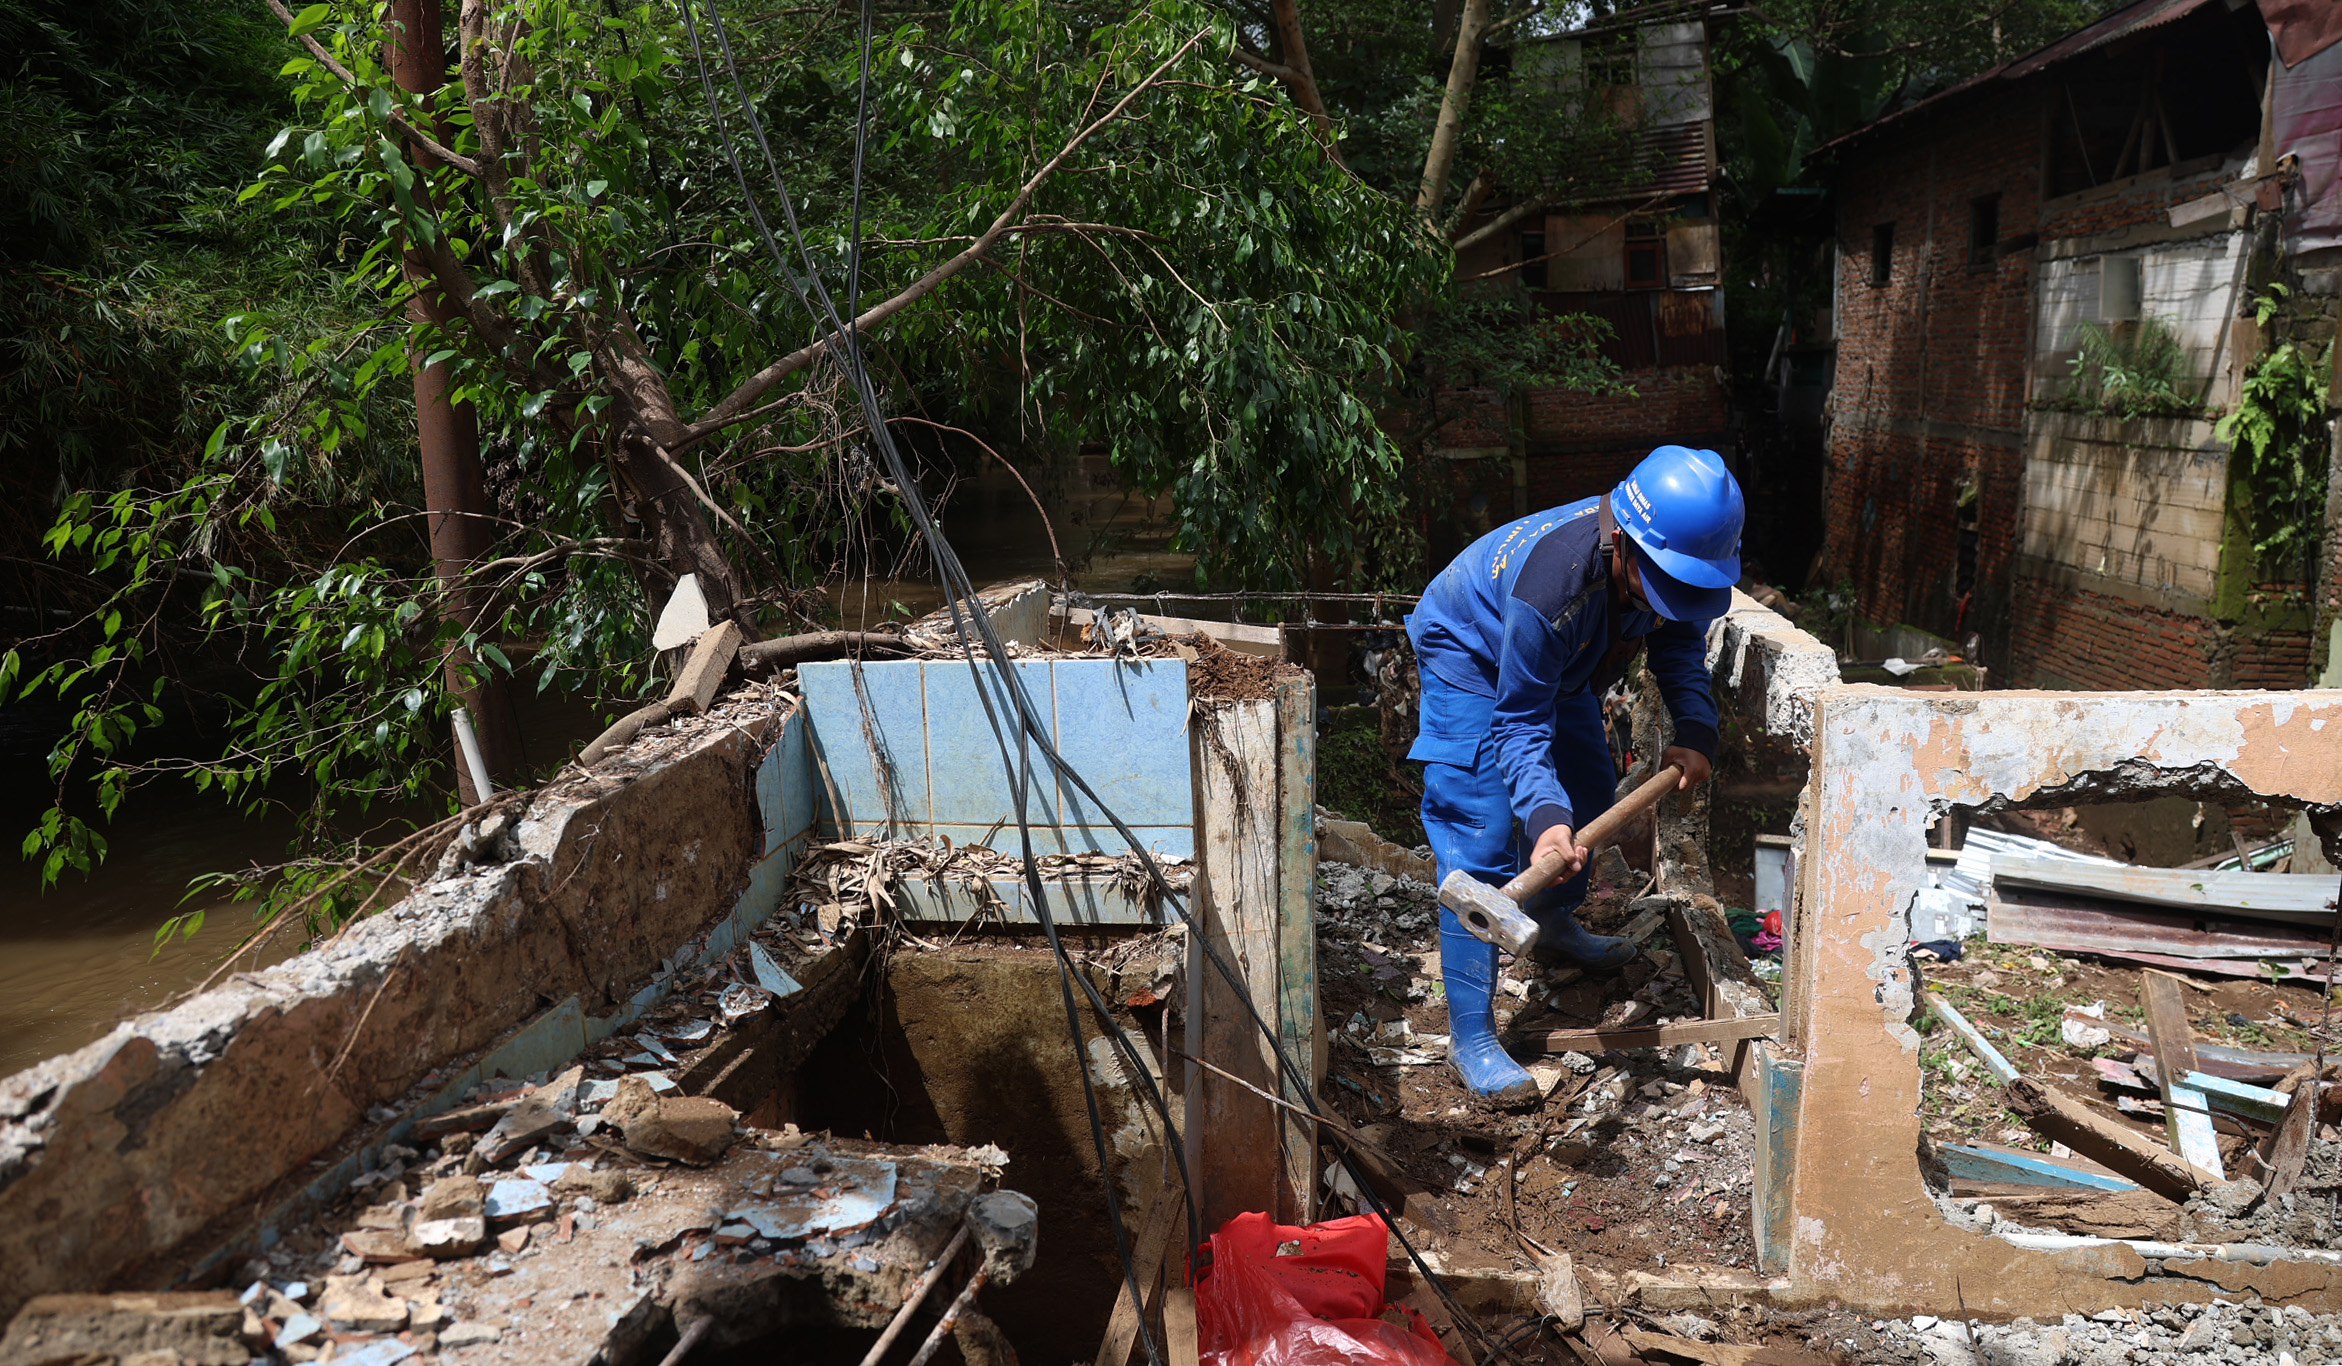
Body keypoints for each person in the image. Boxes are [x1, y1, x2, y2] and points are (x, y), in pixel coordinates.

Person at [1404, 446, 1745, 1104]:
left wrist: (1696, 734)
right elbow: (1519, 720)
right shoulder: (1555, 585)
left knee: (1588, 792)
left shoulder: (1679, 564)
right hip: (1473, 646)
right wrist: (1541, 820)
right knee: (1483, 826)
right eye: (1664, 585)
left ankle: (1555, 925)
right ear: (1621, 543)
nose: (1677, 600)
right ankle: (1471, 1037)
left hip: (1565, 661)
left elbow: (1677, 646)